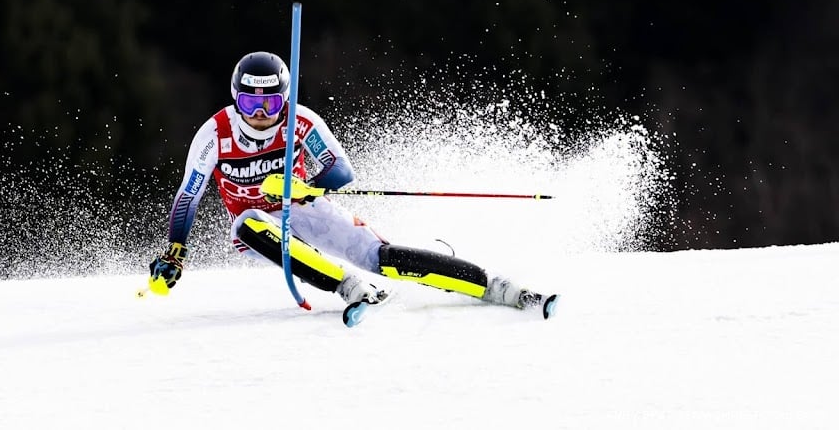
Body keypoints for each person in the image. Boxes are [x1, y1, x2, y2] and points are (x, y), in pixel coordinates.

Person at [148, 51, 558, 323]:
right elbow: (188, 196)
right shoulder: (215, 135)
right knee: (245, 224)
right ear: (235, 99)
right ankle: (349, 286)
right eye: (250, 103)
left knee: (379, 256)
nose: (259, 114)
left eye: (270, 103)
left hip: (304, 207)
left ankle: (497, 287)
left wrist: (302, 185)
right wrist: (176, 252)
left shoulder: (300, 121)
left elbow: (341, 171)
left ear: (284, 100)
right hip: (259, 228)